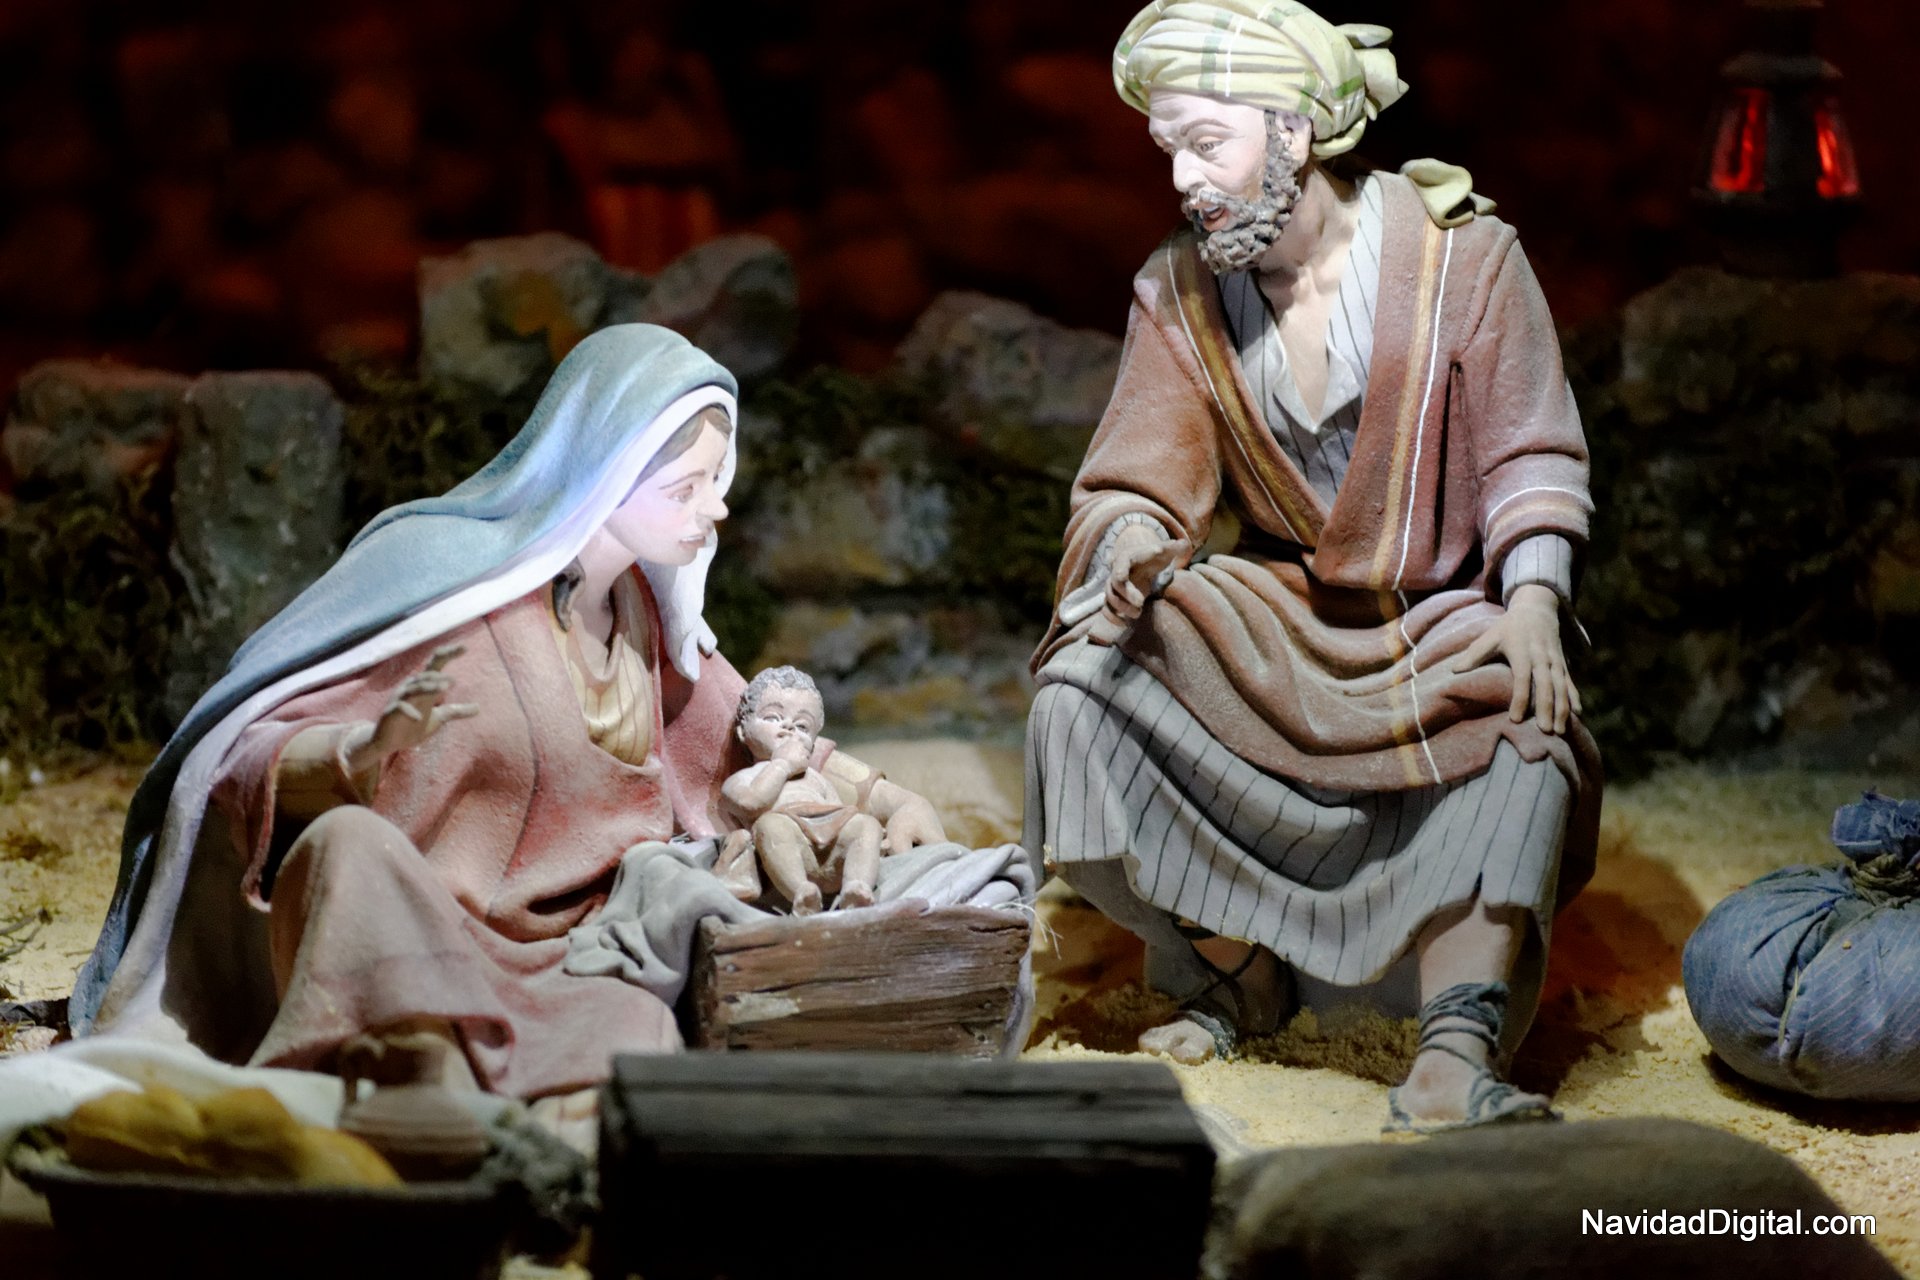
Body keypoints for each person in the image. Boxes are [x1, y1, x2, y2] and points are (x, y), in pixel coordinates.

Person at [71, 324, 944, 1110]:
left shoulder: (647, 616)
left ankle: (465, 1099)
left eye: (717, 481)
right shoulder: (454, 598)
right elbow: (243, 751)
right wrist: (362, 749)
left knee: (635, 1031)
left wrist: (888, 797)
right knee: (349, 852)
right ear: (605, 471)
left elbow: (757, 726)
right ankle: (414, 1075)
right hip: (433, 930)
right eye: (685, 487)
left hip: (580, 952)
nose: (714, 509)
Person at [1025, 0, 1603, 1132]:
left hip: (1439, 616)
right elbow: (1137, 477)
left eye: (1208, 143)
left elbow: (1530, 448)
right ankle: (1236, 969)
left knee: (1526, 729)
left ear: (1293, 131)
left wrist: (1534, 599)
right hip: (1280, 615)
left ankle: (1452, 1048)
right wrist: (1133, 546)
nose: (1185, 179)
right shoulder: (1179, 289)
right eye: (1169, 148)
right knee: (1078, 688)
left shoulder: (1463, 258)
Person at [720, 666, 896, 915]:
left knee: (867, 824)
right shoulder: (744, 778)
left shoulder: (816, 779)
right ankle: (801, 893)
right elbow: (751, 803)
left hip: (829, 836)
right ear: (742, 731)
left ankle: (856, 888)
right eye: (773, 718)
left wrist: (868, 835)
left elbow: (838, 810)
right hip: (787, 839)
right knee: (770, 826)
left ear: (812, 746)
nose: (788, 727)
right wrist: (782, 764)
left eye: (802, 727)